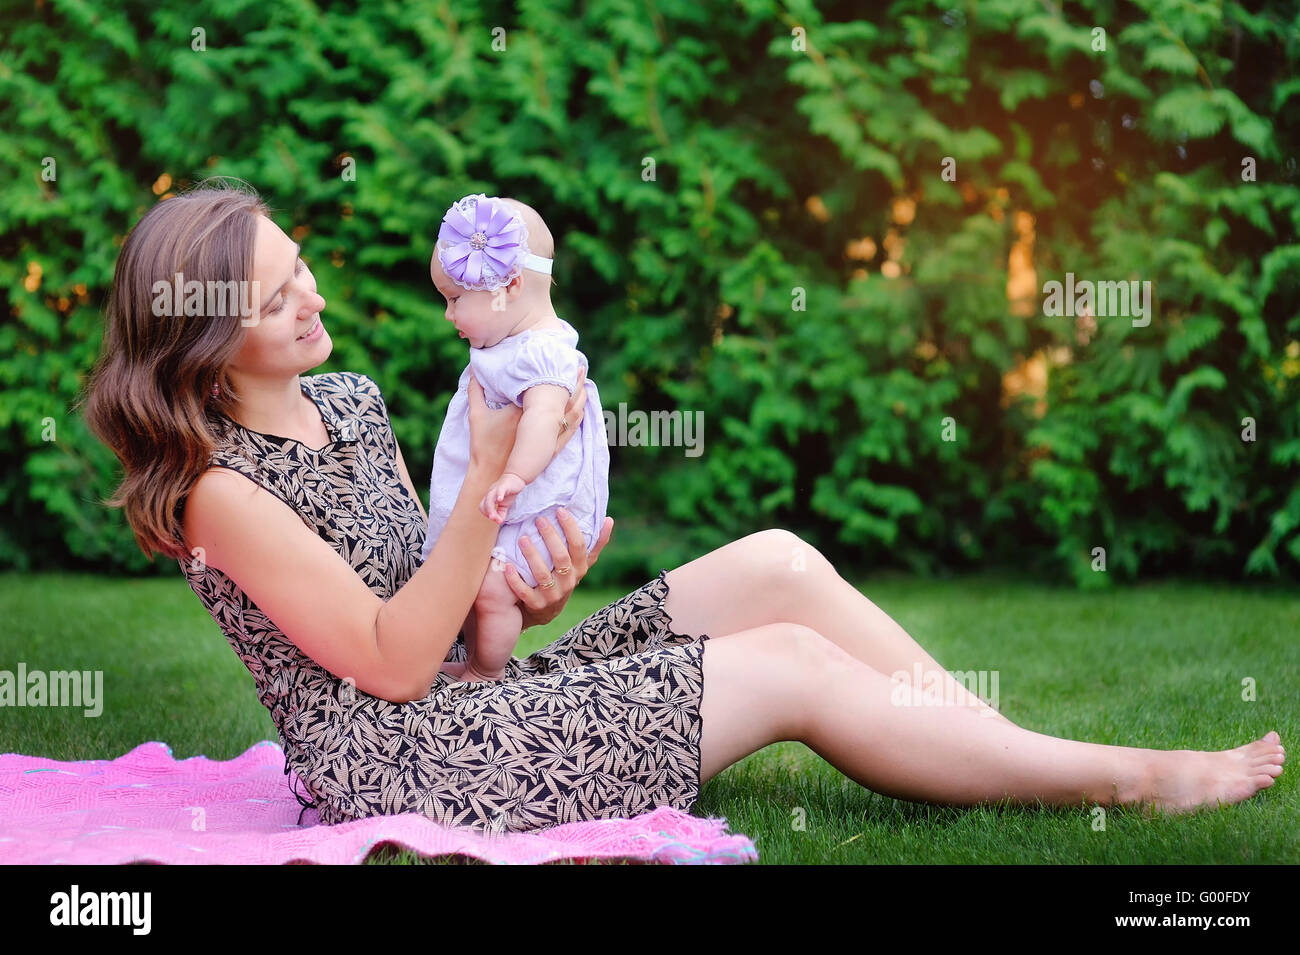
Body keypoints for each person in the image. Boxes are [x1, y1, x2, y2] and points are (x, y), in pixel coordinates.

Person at [78, 180, 1285, 834]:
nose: (313, 293)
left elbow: (441, 616)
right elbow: (392, 668)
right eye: (278, 293)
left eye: (302, 267)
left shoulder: (346, 398)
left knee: (777, 564)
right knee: (790, 666)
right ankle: (1118, 777)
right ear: (200, 335)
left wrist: (515, 597)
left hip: (474, 693)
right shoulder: (217, 494)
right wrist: (493, 500)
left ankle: (999, 754)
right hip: (405, 761)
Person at [421, 192, 610, 684]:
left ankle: (486, 671)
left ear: (510, 285)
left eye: (455, 300)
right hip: (511, 501)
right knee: (467, 584)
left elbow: (545, 420)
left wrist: (512, 476)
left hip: (539, 506)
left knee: (490, 589)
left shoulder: (543, 352)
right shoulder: (510, 347)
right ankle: (454, 655)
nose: (448, 316)